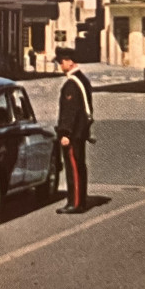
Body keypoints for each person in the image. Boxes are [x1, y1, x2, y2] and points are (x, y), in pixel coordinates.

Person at [54, 48, 94, 214]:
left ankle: (75, 203)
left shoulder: (71, 84)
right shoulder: (82, 79)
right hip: (81, 131)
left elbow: (70, 112)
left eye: (61, 61)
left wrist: (65, 133)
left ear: (70, 62)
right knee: (79, 166)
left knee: (74, 168)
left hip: (73, 134)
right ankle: (80, 200)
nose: (60, 65)